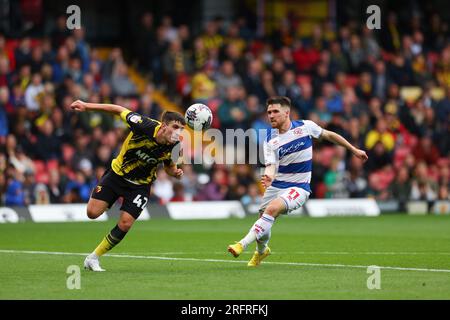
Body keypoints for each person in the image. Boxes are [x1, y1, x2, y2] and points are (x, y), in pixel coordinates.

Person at [227, 96, 368, 266]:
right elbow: (270, 165)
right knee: (263, 218)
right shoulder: (270, 140)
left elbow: (329, 135)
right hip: (277, 184)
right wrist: (269, 175)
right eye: (269, 112)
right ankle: (262, 252)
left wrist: (353, 149)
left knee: (271, 210)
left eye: (275, 112)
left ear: (286, 113)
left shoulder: (305, 126)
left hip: (299, 187)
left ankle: (241, 244)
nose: (271, 116)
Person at [70, 100, 185, 271]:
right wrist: (87, 106)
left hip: (141, 185)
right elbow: (117, 109)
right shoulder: (143, 125)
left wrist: (175, 173)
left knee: (125, 223)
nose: (179, 132)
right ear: (163, 126)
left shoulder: (175, 146)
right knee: (92, 213)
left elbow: (169, 167)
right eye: (176, 127)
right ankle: (108, 200)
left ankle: (93, 258)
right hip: (117, 175)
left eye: (182, 129)